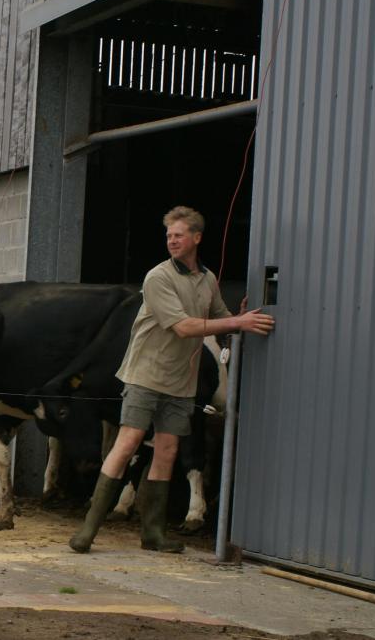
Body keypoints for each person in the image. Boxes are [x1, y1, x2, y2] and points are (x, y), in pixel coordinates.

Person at [70, 206, 275, 554]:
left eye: (178, 235)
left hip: (182, 382)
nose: (172, 241)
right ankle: (88, 530)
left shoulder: (207, 280)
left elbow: (220, 317)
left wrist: (240, 316)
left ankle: (152, 533)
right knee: (128, 442)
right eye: (168, 236)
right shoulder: (158, 278)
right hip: (146, 375)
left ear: (197, 237)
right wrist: (236, 324)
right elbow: (184, 327)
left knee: (166, 450)